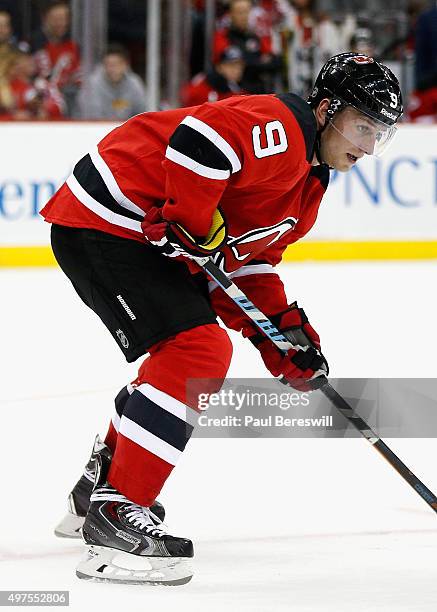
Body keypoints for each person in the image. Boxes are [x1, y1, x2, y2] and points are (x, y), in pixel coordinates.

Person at [41, 53, 402, 585]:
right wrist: (191, 218)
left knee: (188, 352)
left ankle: (100, 485)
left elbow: (244, 266)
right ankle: (117, 516)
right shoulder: (281, 125)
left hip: (140, 238)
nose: (368, 147)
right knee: (197, 351)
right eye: (362, 126)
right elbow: (198, 142)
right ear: (327, 109)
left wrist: (283, 335)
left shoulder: (308, 185)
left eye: (381, 135)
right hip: (110, 218)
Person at [213, 0, 281, 93]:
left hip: (258, 92)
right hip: (233, 94)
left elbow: (275, 61)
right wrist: (260, 62)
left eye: (246, 11)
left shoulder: (255, 36)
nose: (244, 16)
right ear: (230, 14)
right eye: (240, 12)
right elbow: (226, 66)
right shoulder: (223, 36)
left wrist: (247, 62)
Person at [31, 1, 80, 116]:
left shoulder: (73, 46)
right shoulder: (33, 45)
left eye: (64, 18)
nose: (61, 23)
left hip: (69, 101)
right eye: (56, 19)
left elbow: (78, 77)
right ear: (45, 18)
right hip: (40, 103)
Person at [77, 44, 147, 120]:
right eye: (108, 64)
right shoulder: (92, 84)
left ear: (125, 65)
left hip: (126, 128)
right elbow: (92, 116)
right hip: (98, 129)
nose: (112, 69)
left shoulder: (134, 83)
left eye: (116, 64)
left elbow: (142, 112)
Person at [181, 46, 245, 107]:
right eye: (231, 66)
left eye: (239, 66)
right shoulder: (205, 84)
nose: (237, 70)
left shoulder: (239, 88)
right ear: (219, 67)